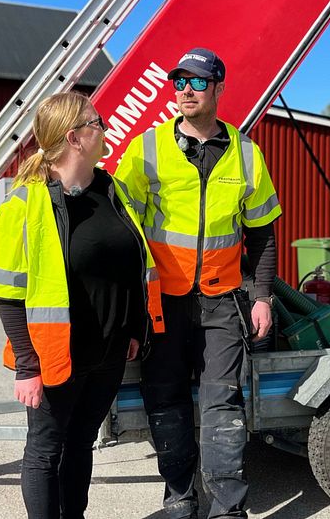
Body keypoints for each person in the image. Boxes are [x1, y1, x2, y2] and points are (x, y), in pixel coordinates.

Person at [0, 91, 164, 519]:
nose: (105, 129)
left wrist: (135, 327)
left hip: (109, 353)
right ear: (74, 137)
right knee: (45, 451)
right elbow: (9, 294)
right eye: (97, 123)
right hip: (56, 356)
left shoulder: (110, 188)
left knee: (81, 442)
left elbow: (131, 264)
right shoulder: (24, 204)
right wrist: (27, 366)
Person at [114, 47, 282, 519]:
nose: (185, 90)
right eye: (178, 82)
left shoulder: (247, 154)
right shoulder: (146, 149)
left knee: (222, 404)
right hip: (162, 303)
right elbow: (121, 226)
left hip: (223, 301)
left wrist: (263, 297)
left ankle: (228, 508)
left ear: (220, 89)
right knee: (164, 400)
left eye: (198, 82)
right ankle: (180, 499)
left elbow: (263, 235)